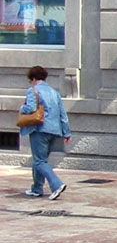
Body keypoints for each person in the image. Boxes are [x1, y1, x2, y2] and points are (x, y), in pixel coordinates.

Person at [19, 66, 71, 200]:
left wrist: (21, 107)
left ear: (33, 78)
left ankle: (56, 184)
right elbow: (62, 114)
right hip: (54, 130)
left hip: (40, 129)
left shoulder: (33, 90)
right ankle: (37, 188)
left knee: (39, 161)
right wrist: (66, 133)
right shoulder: (54, 92)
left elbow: (30, 108)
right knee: (41, 160)